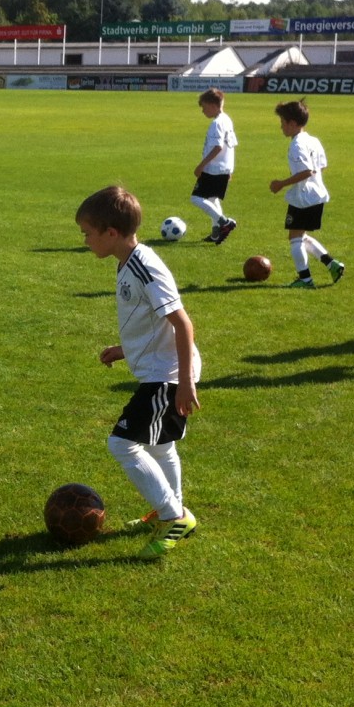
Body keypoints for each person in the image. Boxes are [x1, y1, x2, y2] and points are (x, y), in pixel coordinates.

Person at [76, 185, 200, 560]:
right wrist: (124, 349)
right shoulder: (127, 261)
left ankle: (173, 516)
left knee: (122, 443)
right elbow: (147, 321)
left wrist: (184, 384)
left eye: (87, 233)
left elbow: (182, 323)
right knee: (161, 445)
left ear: (110, 233)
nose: (84, 241)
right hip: (160, 370)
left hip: (169, 374)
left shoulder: (145, 267)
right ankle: (174, 511)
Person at [268, 99, 344, 288]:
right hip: (317, 194)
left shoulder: (297, 145)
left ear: (292, 123)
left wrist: (281, 184)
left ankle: (305, 279)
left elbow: (307, 171)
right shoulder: (313, 140)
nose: (281, 127)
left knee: (294, 238)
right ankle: (332, 264)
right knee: (300, 236)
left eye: (282, 123)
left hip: (303, 197)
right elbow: (322, 166)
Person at [191, 87, 239, 243]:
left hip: (213, 169)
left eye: (204, 107)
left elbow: (218, 147)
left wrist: (201, 165)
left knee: (196, 199)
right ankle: (216, 233)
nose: (203, 111)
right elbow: (231, 145)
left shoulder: (216, 124)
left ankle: (225, 222)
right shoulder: (227, 119)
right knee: (212, 198)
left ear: (213, 105)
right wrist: (229, 168)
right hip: (223, 168)